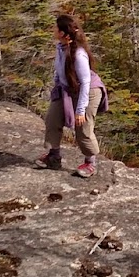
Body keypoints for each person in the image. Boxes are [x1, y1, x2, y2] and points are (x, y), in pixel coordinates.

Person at [36, 12, 108, 178]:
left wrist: (80, 110)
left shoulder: (79, 54)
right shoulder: (61, 47)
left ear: (63, 33)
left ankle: (90, 163)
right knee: (52, 119)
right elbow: (60, 69)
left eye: (55, 28)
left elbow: (85, 83)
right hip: (67, 89)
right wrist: (57, 85)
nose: (53, 29)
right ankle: (54, 157)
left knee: (83, 128)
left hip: (89, 91)